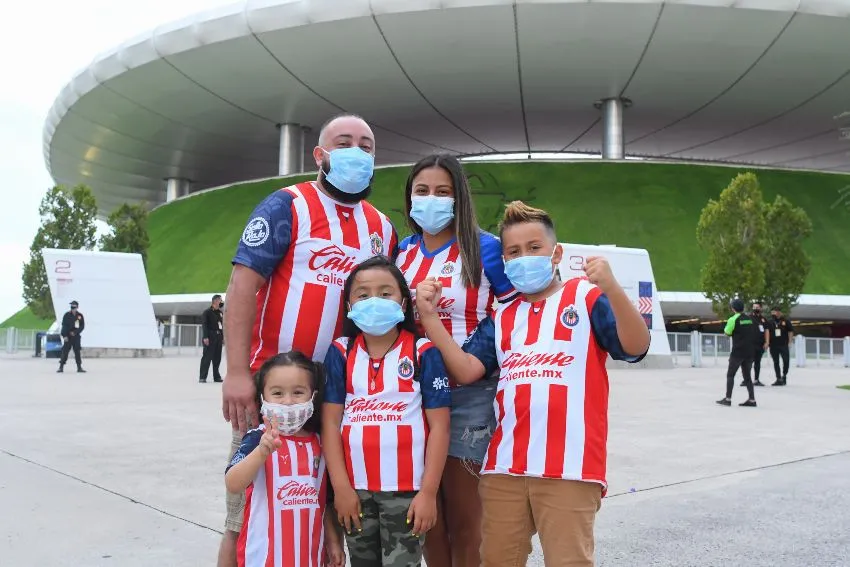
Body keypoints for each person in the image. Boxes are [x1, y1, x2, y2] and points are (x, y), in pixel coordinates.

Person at [416, 201, 650, 567]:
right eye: (513, 252)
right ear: (505, 262)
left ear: (555, 252)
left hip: (570, 470)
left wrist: (613, 289)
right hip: (504, 469)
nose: (524, 257)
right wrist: (429, 318)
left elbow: (635, 348)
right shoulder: (502, 315)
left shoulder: (585, 298)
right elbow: (465, 370)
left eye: (534, 248)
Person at [219, 114, 397, 566]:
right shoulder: (287, 206)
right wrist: (237, 372)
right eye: (344, 142)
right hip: (275, 392)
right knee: (244, 515)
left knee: (327, 508)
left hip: (341, 396)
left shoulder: (381, 228)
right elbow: (242, 286)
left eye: (366, 144)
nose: (356, 151)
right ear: (319, 155)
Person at [395, 154, 515, 567]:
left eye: (443, 192)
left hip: (469, 395)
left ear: (459, 197)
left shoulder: (485, 249)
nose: (432, 199)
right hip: (413, 396)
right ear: (409, 198)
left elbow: (512, 313)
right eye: (422, 191)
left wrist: (477, 357)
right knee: (427, 518)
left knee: (467, 519)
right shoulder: (402, 252)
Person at [322, 256, 451, 567]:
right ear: (349, 306)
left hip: (407, 493)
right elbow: (329, 424)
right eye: (363, 295)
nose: (374, 301)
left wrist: (428, 493)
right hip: (356, 493)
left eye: (385, 293)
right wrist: (341, 488)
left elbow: (440, 428)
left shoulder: (424, 352)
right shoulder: (341, 351)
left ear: (404, 303)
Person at [225, 351, 345, 567]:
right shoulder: (257, 438)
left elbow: (320, 502)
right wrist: (261, 452)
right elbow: (233, 483)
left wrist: (333, 540)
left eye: (298, 392)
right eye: (277, 393)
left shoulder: (320, 443)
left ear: (313, 396)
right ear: (262, 397)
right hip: (262, 559)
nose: (288, 402)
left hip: (309, 558)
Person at [717, 298, 758, 407]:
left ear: (733, 308)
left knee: (730, 375)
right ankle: (752, 399)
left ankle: (728, 399)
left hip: (738, 352)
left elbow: (727, 332)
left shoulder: (733, 319)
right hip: (749, 352)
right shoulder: (750, 319)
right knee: (747, 376)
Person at [742, 302, 769, 387]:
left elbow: (766, 331)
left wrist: (767, 342)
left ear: (760, 308)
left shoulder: (763, 319)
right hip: (750, 344)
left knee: (758, 362)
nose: (755, 308)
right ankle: (746, 380)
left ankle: (756, 380)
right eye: (754, 307)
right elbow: (743, 329)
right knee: (748, 362)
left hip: (760, 345)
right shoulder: (748, 317)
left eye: (757, 307)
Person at [200, 295, 225, 383]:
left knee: (217, 358)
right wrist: (205, 337)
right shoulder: (207, 312)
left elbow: (221, 326)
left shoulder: (220, 312)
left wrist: (223, 337)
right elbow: (204, 325)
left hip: (218, 338)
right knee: (207, 357)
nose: (221, 302)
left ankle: (216, 377)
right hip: (210, 337)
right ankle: (202, 377)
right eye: (220, 300)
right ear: (215, 301)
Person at [767, 306, 794, 386]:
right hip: (773, 345)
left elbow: (790, 331)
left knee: (786, 361)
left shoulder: (785, 321)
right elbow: (767, 332)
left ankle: (784, 375)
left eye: (774, 312)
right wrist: (767, 342)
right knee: (776, 362)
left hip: (783, 344)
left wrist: (790, 341)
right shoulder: (770, 322)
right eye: (772, 312)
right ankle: (778, 378)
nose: (773, 314)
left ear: (779, 312)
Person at [58, 300, 86, 373]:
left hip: (76, 336)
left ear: (77, 307)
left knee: (77, 352)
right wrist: (64, 335)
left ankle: (79, 367)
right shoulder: (66, 315)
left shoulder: (80, 316)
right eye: (72, 306)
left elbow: (82, 326)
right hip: (68, 336)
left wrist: (76, 332)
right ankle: (61, 367)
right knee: (65, 351)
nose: (73, 307)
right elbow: (64, 326)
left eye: (74, 306)